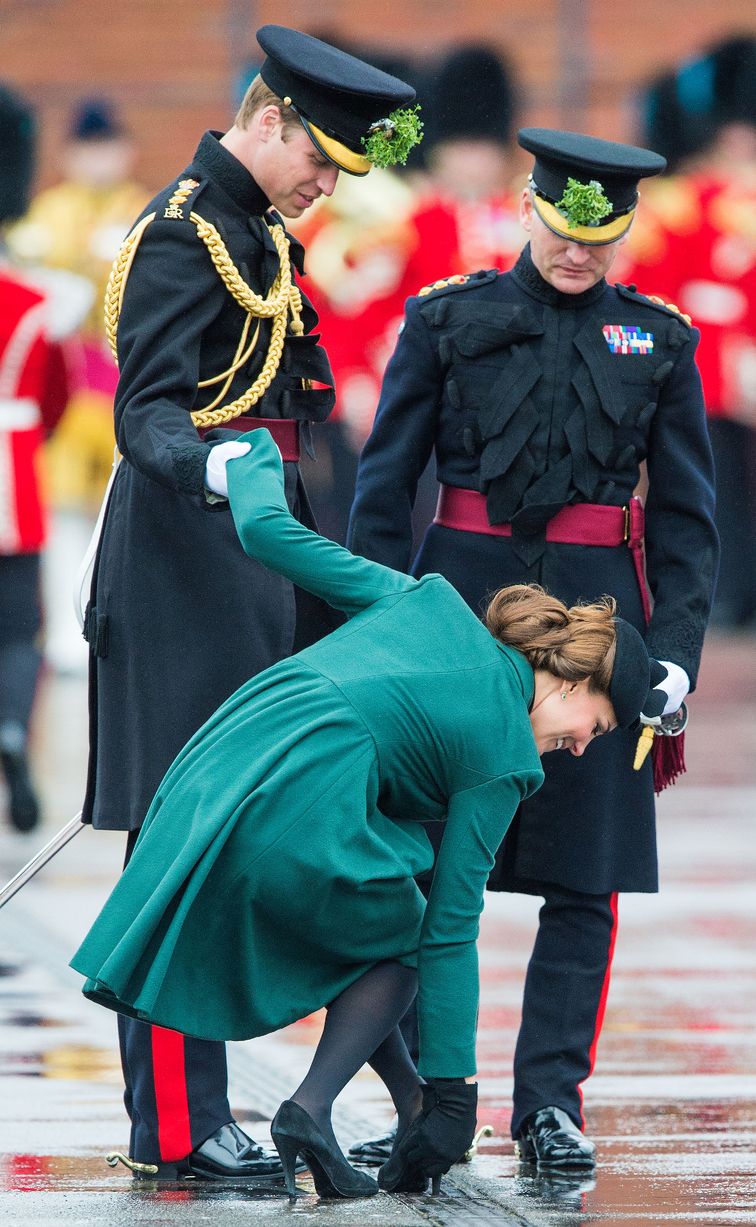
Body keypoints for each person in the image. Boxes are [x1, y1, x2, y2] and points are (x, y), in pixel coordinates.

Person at [72, 426, 669, 1199]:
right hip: (303, 799)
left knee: (373, 903)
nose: (583, 747)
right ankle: (311, 1106)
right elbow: (452, 929)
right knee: (408, 925)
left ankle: (399, 1098)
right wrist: (460, 1092)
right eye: (596, 727)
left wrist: (254, 461)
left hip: (224, 757)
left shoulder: (428, 600)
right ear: (571, 681)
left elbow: (270, 535)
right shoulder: (504, 754)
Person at [79, 24, 420, 1183]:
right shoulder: (183, 234)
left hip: (262, 552)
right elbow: (148, 410)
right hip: (190, 552)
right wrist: (212, 467)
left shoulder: (254, 230)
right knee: (184, 837)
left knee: (258, 823)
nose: (328, 184)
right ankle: (175, 1125)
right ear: (268, 118)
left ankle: (329, 1093)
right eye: (319, 157)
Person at [348, 128, 719, 1168]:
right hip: (454, 610)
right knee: (420, 863)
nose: (578, 255)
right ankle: (428, 1100)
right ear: (529, 206)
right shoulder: (447, 317)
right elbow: (384, 491)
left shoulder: (661, 341)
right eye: (563, 230)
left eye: (599, 240)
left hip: (603, 624)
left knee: (583, 875)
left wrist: (675, 656)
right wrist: (378, 624)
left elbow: (690, 522)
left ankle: (552, 1101)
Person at [8, 99, 150, 673]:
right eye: (87, 151)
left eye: (107, 149)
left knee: (119, 503)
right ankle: (67, 630)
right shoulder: (46, 215)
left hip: (121, 377)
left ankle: (116, 616)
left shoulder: (142, 208)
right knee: (64, 505)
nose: (97, 162)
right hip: (70, 378)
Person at [619, 36, 756, 629]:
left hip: (744, 363)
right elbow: (655, 292)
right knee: (710, 486)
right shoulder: (678, 205)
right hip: (706, 371)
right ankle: (723, 593)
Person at [0, 84, 72, 831]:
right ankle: (13, 728)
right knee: (19, 631)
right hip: (13, 476)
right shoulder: (32, 300)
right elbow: (55, 394)